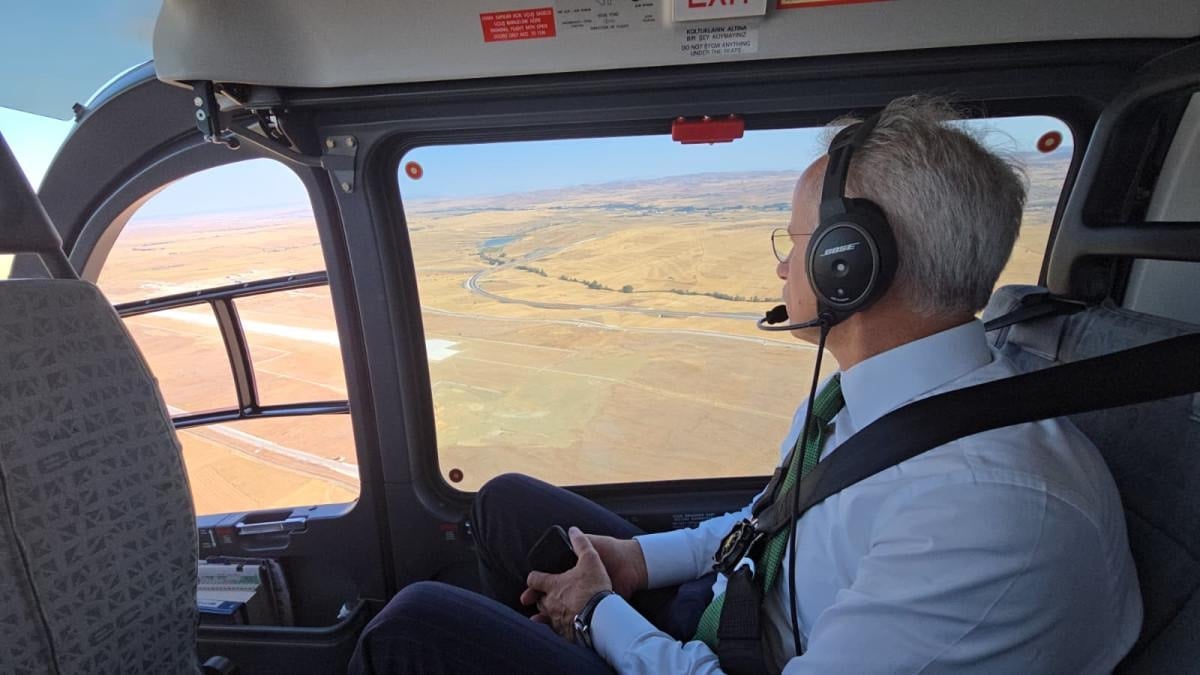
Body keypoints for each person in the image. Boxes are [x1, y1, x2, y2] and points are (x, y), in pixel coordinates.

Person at [348, 96, 1142, 674]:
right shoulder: (867, 402)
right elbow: (769, 520)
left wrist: (597, 615)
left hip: (750, 656)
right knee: (504, 502)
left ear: (852, 264)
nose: (783, 266)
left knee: (410, 628)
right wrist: (633, 561)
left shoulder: (978, 509)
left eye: (797, 242)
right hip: (739, 616)